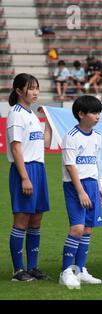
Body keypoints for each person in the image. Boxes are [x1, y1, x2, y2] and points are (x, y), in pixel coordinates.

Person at [6, 73, 53, 281]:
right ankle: (18, 271)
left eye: (37, 88)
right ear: (18, 91)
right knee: (22, 219)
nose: (35, 92)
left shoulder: (32, 115)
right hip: (24, 170)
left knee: (36, 219)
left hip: (39, 170)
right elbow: (16, 149)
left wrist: (49, 121)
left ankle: (32, 267)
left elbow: (45, 144)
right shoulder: (16, 114)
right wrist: (24, 177)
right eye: (31, 88)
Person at [58, 95, 102, 289]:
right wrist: (81, 192)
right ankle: (65, 272)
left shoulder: (98, 137)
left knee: (87, 229)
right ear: (81, 114)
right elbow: (70, 166)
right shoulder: (71, 136)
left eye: (99, 112)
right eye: (94, 112)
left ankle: (80, 269)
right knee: (77, 229)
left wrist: (99, 187)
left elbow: (96, 164)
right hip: (75, 186)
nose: (98, 116)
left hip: (92, 185)